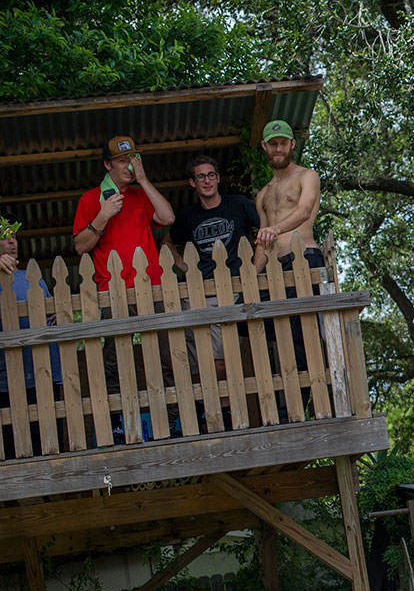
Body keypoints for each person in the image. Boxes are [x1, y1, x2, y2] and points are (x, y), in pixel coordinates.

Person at [167, 155, 263, 379]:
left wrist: (254, 267)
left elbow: (267, 229)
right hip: (201, 291)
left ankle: (226, 410)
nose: (207, 181)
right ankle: (207, 410)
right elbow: (167, 243)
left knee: (223, 360)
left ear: (218, 178)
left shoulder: (238, 204)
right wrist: (183, 265)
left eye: (211, 175)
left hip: (235, 288)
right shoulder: (188, 215)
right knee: (198, 360)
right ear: (193, 182)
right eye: (201, 176)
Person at [72, 136, 174, 290]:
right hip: (114, 289)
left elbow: (168, 218)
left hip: (151, 285)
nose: (129, 167)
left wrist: (143, 180)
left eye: (132, 160)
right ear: (107, 164)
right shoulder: (91, 198)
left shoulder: (142, 195)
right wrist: (103, 215)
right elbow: (80, 247)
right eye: (122, 161)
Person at [0, 211, 63, 456]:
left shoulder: (32, 280)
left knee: (48, 443)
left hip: (43, 372)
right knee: (12, 447)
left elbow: (50, 320)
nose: (13, 242)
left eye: (15, 237)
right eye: (5, 237)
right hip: (6, 381)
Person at [255, 120, 323, 272]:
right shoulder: (262, 194)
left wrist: (275, 229)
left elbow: (305, 211)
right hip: (273, 269)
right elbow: (262, 241)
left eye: (283, 143)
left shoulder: (307, 176)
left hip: (305, 257)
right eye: (273, 144)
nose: (278, 149)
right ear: (264, 146)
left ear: (292, 144)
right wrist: (253, 276)